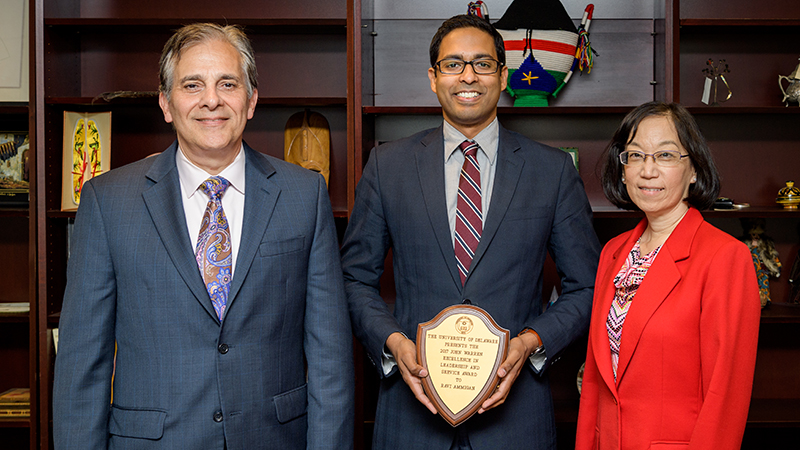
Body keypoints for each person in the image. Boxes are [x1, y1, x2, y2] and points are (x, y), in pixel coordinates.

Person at [52, 23, 353, 449]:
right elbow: (83, 363)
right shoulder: (108, 201)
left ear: (250, 101)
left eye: (227, 84)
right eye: (192, 85)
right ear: (166, 103)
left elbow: (330, 358)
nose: (211, 100)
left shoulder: (303, 195)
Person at [341, 14, 600, 450]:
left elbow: (587, 285)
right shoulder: (388, 165)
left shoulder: (551, 171)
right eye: (453, 64)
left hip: (516, 419)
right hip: (412, 413)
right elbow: (354, 277)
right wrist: (393, 344)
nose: (468, 76)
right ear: (433, 77)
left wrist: (530, 345)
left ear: (502, 76)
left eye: (482, 64)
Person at [575, 101, 761, 450]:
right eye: (635, 155)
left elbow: (726, 395)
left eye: (665, 156)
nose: (648, 170)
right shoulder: (613, 253)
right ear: (623, 167)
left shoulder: (725, 257)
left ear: (693, 170)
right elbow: (598, 384)